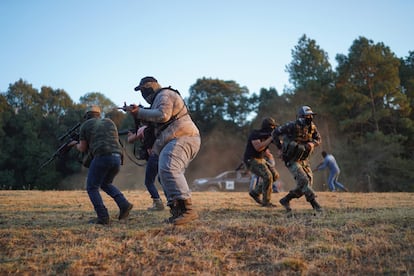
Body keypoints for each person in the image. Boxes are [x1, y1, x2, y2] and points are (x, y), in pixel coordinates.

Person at [126, 76, 201, 225]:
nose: (143, 94)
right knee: (163, 175)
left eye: (144, 90)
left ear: (151, 87)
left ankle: (188, 210)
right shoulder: (158, 100)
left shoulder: (164, 94)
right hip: (178, 138)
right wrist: (138, 113)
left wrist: (139, 112)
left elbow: (163, 115)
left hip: (183, 136)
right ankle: (178, 211)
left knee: (169, 169)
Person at [69, 105, 133, 225]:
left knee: (92, 187)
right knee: (105, 183)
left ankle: (103, 217)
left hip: (102, 157)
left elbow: (82, 148)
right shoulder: (110, 122)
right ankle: (124, 204)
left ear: (87, 116)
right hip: (117, 158)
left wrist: (74, 144)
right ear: (98, 114)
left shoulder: (86, 125)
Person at [272, 105, 322, 213]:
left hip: (304, 159)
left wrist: (312, 143)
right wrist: (280, 148)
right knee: (303, 180)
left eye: (311, 116)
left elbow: (318, 139)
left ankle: (286, 200)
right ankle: (316, 206)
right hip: (291, 159)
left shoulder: (312, 127)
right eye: (307, 116)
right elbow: (275, 133)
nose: (309, 118)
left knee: (306, 183)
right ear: (300, 117)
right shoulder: (291, 126)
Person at [243, 117, 280, 207]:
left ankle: (255, 192)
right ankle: (266, 202)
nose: (273, 128)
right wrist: (271, 138)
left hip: (261, 159)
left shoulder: (268, 135)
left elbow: (279, 144)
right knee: (268, 176)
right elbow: (258, 147)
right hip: (251, 160)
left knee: (275, 176)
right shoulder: (255, 134)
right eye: (272, 126)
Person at [127, 126, 165, 210]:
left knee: (149, 182)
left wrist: (130, 135)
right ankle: (174, 200)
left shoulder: (143, 129)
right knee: (163, 179)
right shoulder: (161, 128)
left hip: (154, 156)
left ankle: (158, 203)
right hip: (164, 155)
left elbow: (130, 140)